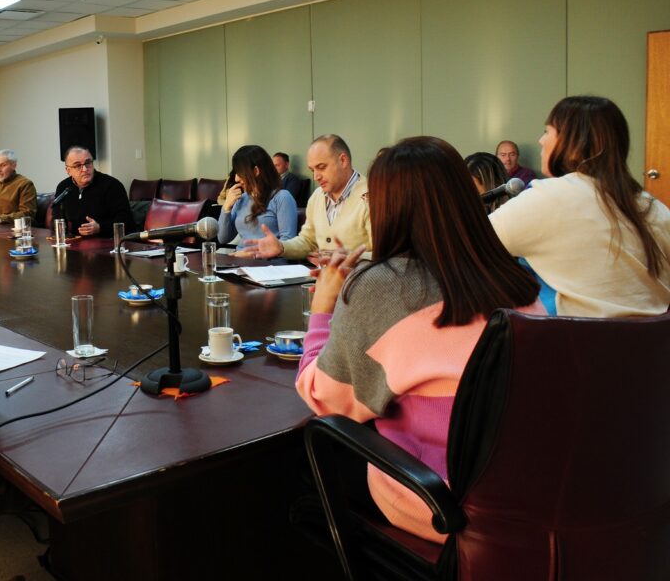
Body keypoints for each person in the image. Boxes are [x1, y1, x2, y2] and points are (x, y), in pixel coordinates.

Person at [296, 136, 543, 543]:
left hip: (443, 504)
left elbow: (324, 398)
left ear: (389, 208)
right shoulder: (515, 279)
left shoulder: (383, 286)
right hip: (529, 493)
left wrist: (324, 305)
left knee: (303, 463)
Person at [490, 96, 670, 317]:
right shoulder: (654, 208)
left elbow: (469, 244)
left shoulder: (548, 197)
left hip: (575, 338)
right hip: (655, 338)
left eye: (547, 131)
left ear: (573, 144)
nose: (541, 140)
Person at [240, 134, 372, 261]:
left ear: (343, 160)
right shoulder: (317, 196)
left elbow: (383, 256)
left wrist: (345, 258)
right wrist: (281, 247)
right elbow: (308, 241)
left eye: (321, 167)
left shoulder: (372, 197)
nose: (316, 177)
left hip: (359, 276)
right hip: (322, 275)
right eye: (312, 170)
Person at [218, 145, 297, 247]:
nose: (236, 179)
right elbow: (223, 238)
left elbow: (288, 243)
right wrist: (226, 208)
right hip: (239, 256)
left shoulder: (282, 197)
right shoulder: (241, 199)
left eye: (240, 173)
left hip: (266, 258)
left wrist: (253, 254)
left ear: (256, 171)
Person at [53, 146, 134, 237]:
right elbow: (57, 220)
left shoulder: (112, 185)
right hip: (78, 241)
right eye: (78, 165)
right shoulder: (63, 187)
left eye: (88, 163)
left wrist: (100, 227)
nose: (85, 169)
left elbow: (126, 220)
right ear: (68, 170)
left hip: (108, 240)